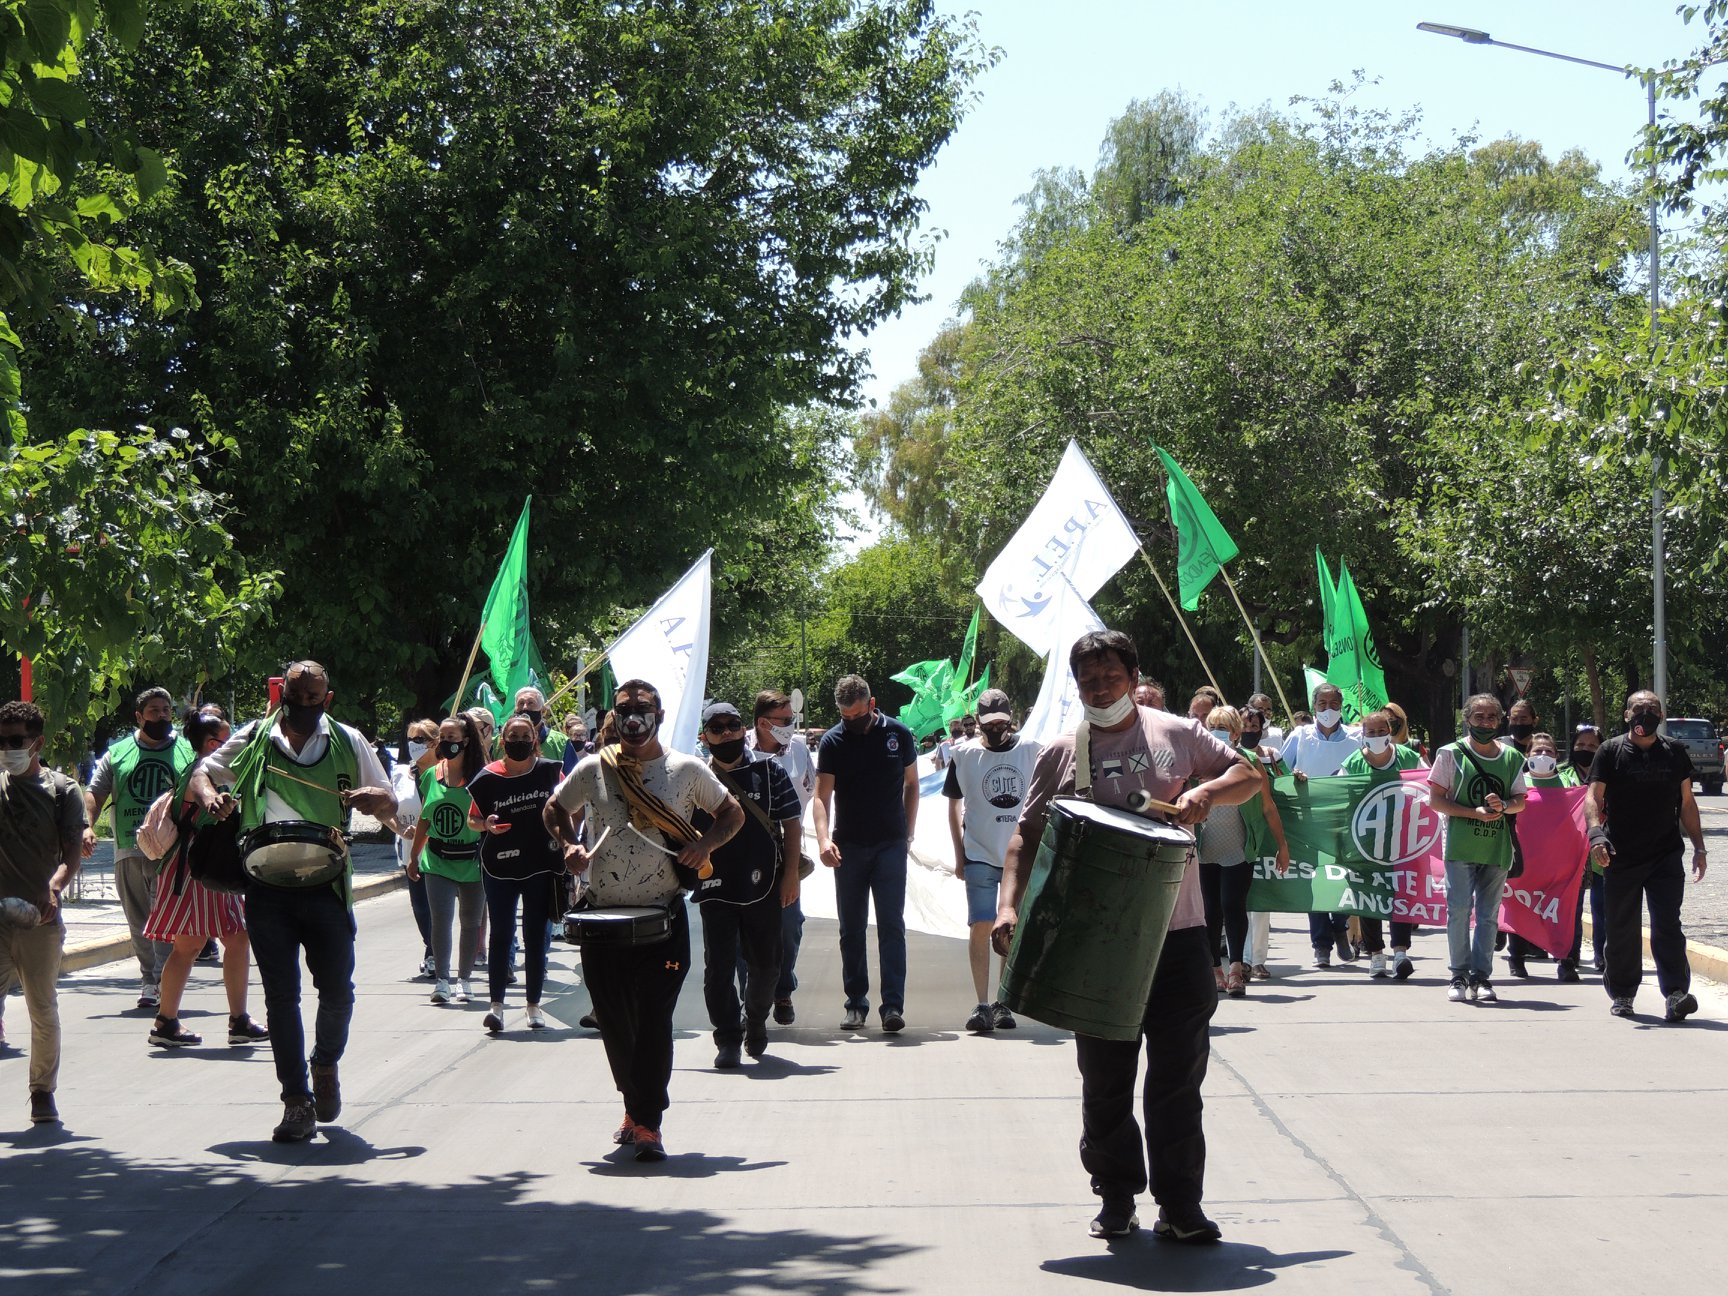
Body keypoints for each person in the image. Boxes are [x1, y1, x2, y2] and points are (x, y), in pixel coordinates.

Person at [994, 630, 1258, 1242]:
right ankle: (1116, 1196)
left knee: (1178, 1080)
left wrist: (1205, 792)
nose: (1100, 689)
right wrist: (1007, 907)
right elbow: (1025, 836)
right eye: (1088, 681)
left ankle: (1180, 1206)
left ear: (1133, 678)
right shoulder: (1063, 751)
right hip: (1098, 948)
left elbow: (1247, 776)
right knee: (1105, 1081)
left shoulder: (1178, 733)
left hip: (1179, 937)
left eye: (1110, 678)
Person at [189, 660, 397, 1142]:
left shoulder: (348, 741)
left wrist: (378, 799)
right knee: (281, 997)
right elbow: (203, 772)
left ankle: (325, 1063)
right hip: (267, 886)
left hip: (327, 885)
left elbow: (390, 802)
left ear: (328, 699)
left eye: (313, 699)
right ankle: (296, 1101)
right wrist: (210, 797)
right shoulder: (256, 737)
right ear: (282, 694)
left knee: (338, 992)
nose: (303, 706)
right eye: (295, 697)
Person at [545, 679, 742, 1161]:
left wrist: (705, 845)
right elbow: (554, 809)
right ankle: (634, 1106)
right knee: (615, 1024)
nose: (633, 717)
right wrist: (568, 844)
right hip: (602, 920)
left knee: (653, 1022)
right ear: (613, 716)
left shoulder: (686, 769)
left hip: (662, 921)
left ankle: (648, 1122)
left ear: (660, 714)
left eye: (643, 708)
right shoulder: (594, 768)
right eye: (624, 709)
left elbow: (731, 814)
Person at [141, 710, 269, 1048]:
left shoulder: (206, 769)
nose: (234, 743)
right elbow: (205, 800)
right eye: (227, 738)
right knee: (210, 943)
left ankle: (182, 1021)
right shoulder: (203, 773)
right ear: (212, 743)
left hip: (204, 868)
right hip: (196, 869)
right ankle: (181, 1021)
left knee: (214, 943)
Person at [1586, 690, 1707, 1022]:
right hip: (1620, 854)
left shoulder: (1674, 751)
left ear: (1661, 715)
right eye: (1638, 708)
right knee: (1621, 926)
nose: (1645, 713)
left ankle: (1676, 994)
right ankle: (1623, 994)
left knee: (1668, 925)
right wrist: (1596, 834)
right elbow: (1593, 797)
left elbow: (1687, 802)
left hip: (1665, 854)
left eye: (1652, 708)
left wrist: (1699, 847)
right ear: (1627, 715)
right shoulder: (1610, 751)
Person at [694, 702, 801, 1067]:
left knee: (767, 968)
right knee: (718, 970)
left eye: (733, 725)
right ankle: (727, 1038)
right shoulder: (695, 776)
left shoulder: (769, 771)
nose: (726, 733)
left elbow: (791, 823)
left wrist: (790, 875)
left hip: (764, 884)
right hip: (715, 888)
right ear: (705, 737)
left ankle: (754, 1019)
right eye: (717, 728)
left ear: (744, 729)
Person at [812, 674, 919, 1032]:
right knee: (852, 928)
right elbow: (821, 797)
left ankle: (893, 1006)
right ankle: (856, 1003)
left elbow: (912, 784)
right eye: (845, 717)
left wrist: (908, 832)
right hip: (849, 847)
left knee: (891, 926)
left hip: (890, 844)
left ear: (871, 705)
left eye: (857, 715)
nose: (851, 722)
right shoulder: (833, 741)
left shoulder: (898, 734)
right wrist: (824, 840)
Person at [0, 701, 88, 1124]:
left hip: (40, 919)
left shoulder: (63, 791)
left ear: (38, 743)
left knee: (42, 1009)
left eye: (16, 740)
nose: (7, 749)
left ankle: (42, 1092)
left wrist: (54, 887)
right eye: (1, 740)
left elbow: (73, 853)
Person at [84, 686, 196, 1009]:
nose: (161, 716)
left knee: (166, 917)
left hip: (173, 851)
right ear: (138, 716)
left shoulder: (187, 751)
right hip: (129, 848)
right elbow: (95, 793)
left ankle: (162, 981)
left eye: (166, 710)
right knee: (138, 920)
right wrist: (87, 826)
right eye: (153, 711)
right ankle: (149, 979)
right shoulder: (117, 754)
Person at [944, 688, 1041, 1032]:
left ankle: (1003, 1002)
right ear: (979, 722)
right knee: (981, 925)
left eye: (1001, 722)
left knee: (1009, 928)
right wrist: (959, 854)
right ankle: (982, 1003)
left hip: (1018, 856)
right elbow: (953, 806)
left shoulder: (1032, 750)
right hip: (979, 853)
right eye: (989, 723)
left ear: (1011, 719)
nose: (996, 729)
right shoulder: (964, 754)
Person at [465, 714, 566, 1032]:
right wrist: (486, 825)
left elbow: (571, 807)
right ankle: (496, 1007)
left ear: (535, 740)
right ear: (502, 740)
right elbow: (473, 820)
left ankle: (533, 1006)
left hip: (540, 864)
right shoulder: (486, 778)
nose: (519, 741)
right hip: (500, 866)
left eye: (525, 736)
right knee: (501, 934)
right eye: (513, 736)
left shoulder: (551, 771)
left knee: (535, 937)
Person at [1427, 694, 1527, 1005]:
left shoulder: (1512, 758)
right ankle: (1458, 974)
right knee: (1458, 910)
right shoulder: (1450, 754)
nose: (1485, 722)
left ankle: (1481, 976)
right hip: (1459, 846)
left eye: (1491, 717)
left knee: (1488, 915)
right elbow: (1436, 800)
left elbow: (1520, 801)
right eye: (1479, 717)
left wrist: (1504, 805)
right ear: (1467, 719)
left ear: (1500, 721)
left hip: (1497, 848)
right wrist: (1474, 813)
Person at [1197, 706, 1291, 998]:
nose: (1218, 733)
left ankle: (1236, 969)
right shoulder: (1197, 759)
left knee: (1233, 904)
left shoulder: (1249, 761)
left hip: (1238, 845)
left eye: (1224, 728)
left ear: (1236, 733)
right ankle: (1215, 969)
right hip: (1205, 845)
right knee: (1210, 909)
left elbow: (1267, 806)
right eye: (1213, 727)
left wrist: (1282, 846)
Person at [1340, 709, 1426, 979]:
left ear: (1390, 732)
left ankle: (1400, 952)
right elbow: (1338, 796)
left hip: (1404, 840)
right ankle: (1376, 954)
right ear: (1363, 735)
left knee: (1401, 894)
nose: (1377, 736)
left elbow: (1429, 785)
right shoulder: (1352, 763)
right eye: (1371, 732)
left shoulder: (1410, 758)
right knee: (1370, 897)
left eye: (1381, 731)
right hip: (1365, 843)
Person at [1279, 683, 1361, 968]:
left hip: (1345, 821)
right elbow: (1281, 771)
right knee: (1314, 880)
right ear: (1313, 706)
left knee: (1342, 879)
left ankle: (1340, 925)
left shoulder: (1356, 737)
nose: (1328, 709)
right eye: (1322, 703)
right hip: (1309, 819)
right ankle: (1321, 945)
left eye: (1334, 703)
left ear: (1341, 705)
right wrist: (1294, 775)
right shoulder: (1300, 736)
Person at [748, 689, 816, 1024]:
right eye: (785, 721)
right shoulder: (741, 751)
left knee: (789, 927)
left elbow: (808, 793)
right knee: (746, 932)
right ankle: (750, 1001)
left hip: (786, 852)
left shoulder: (799, 749)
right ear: (763, 723)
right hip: (747, 856)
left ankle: (782, 989)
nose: (791, 726)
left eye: (792, 719)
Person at [408, 714, 486, 1006]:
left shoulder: (481, 777)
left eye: (451, 737)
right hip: (437, 861)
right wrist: (414, 856)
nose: (445, 742)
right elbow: (425, 819)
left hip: (472, 862)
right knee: (440, 921)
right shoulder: (430, 775)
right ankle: (442, 980)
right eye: (442, 737)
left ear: (465, 741)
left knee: (470, 922)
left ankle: (464, 979)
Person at [1524, 731, 1587, 983]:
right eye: (1537, 751)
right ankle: (1518, 954)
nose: (1542, 755)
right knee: (1524, 906)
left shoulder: (1569, 782)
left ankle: (1567, 960)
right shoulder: (1517, 781)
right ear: (1527, 754)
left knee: (1568, 911)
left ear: (1556, 755)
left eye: (1548, 751)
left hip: (1562, 860)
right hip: (1528, 860)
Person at [1502, 699, 1546, 978]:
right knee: (1512, 890)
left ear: (1534, 720)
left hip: (1538, 838)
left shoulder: (1542, 749)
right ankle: (1509, 940)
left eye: (1523, 719)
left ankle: (1533, 941)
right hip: (1509, 830)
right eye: (1514, 718)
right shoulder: (1501, 748)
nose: (1518, 723)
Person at [393, 719, 439, 981]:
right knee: (420, 907)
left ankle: (434, 953)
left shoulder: (446, 772)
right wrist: (400, 828)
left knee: (438, 907)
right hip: (411, 851)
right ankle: (431, 947)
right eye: (410, 739)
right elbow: (387, 809)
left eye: (420, 739)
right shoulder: (400, 774)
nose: (414, 744)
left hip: (439, 852)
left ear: (434, 743)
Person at [1568, 724, 1607, 973]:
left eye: (1593, 746)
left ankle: (1602, 956)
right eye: (1581, 745)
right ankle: (1570, 954)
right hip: (1570, 850)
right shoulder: (1560, 775)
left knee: (1603, 905)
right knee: (1572, 905)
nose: (1586, 749)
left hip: (1602, 846)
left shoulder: (1612, 774)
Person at [510, 686, 568, 767]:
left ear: (543, 711)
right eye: (521, 703)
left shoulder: (562, 742)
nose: (525, 707)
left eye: (530, 703)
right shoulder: (500, 742)